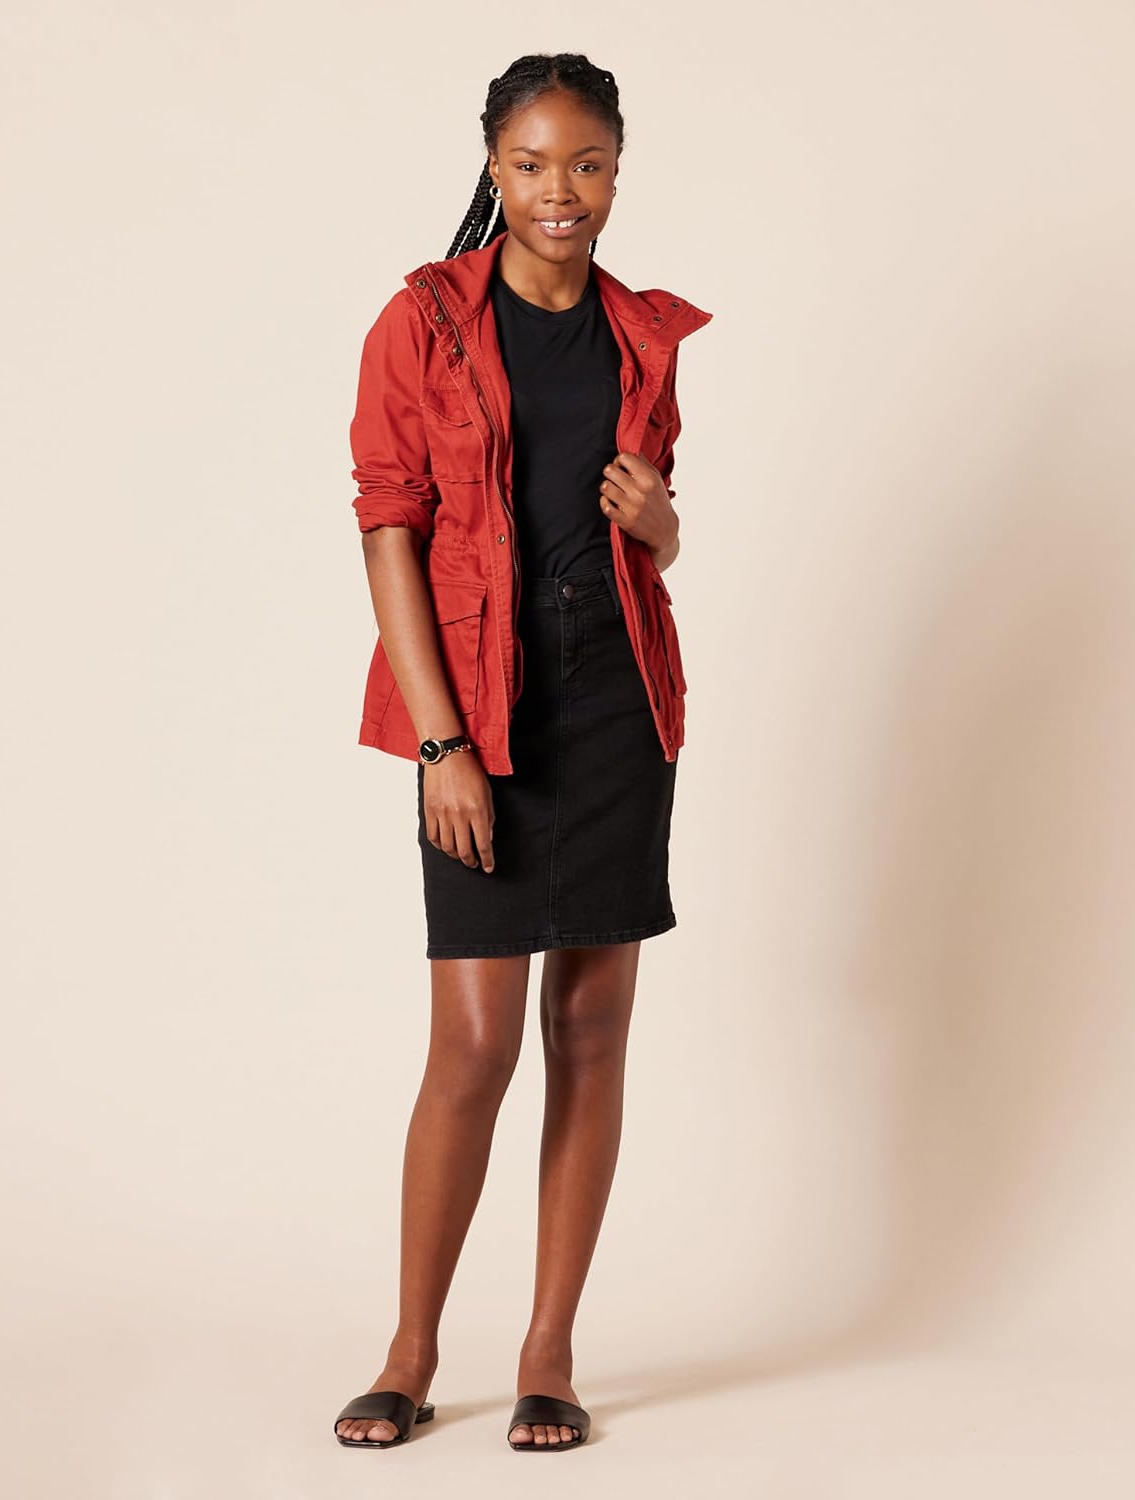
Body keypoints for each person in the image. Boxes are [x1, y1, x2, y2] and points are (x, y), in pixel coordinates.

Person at [334, 51, 712, 1454]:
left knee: (591, 1030)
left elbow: (649, 535)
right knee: (477, 1041)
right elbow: (388, 529)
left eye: (588, 163)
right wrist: (442, 742)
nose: (563, 191)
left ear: (617, 169)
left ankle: (549, 1350)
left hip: (616, 699)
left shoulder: (641, 336)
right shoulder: (423, 321)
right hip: (479, 706)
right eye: (533, 164)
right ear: (493, 168)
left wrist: (660, 524)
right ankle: (410, 1350)